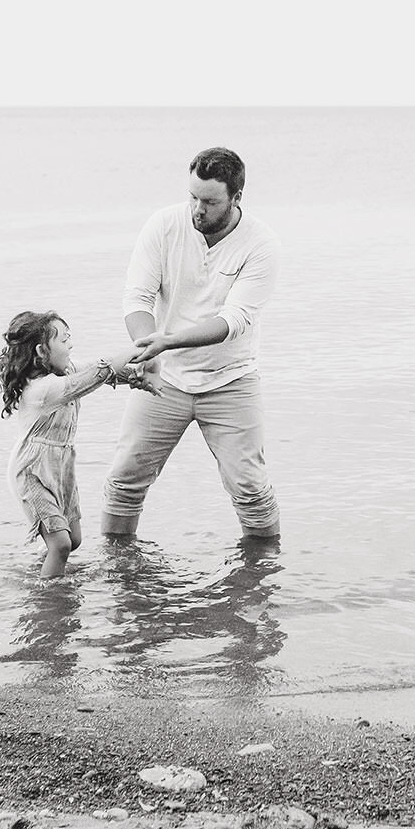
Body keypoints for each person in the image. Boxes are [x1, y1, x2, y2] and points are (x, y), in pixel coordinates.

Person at [103, 147, 283, 541]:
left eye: (209, 201)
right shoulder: (164, 226)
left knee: (250, 489)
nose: (197, 209)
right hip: (164, 379)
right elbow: (137, 298)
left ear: (236, 198)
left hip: (230, 379)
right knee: (124, 481)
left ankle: (263, 575)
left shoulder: (261, 243)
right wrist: (146, 349)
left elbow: (233, 321)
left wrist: (166, 342)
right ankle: (119, 571)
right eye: (193, 197)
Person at [0, 310, 150, 579]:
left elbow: (98, 371)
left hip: (60, 466)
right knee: (61, 544)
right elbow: (94, 376)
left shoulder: (66, 371)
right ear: (42, 351)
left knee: (73, 539)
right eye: (64, 341)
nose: (70, 346)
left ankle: (41, 574)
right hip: (32, 472)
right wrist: (134, 349)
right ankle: (49, 600)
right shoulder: (42, 389)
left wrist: (135, 376)